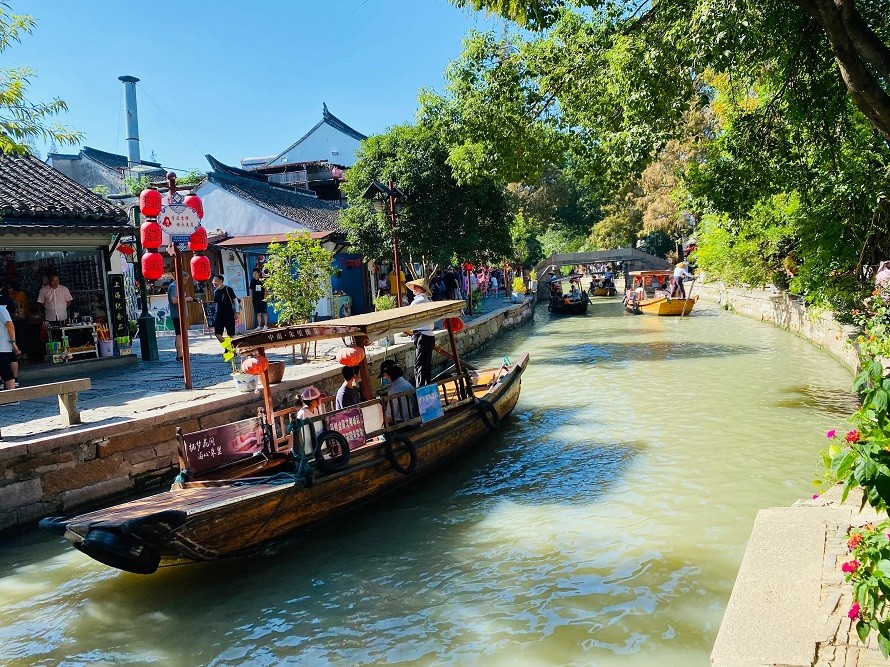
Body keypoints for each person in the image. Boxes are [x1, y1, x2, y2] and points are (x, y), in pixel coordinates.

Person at [406, 278, 436, 386]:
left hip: (423, 336)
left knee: (420, 366)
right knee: (426, 366)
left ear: (422, 289)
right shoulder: (426, 301)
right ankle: (426, 388)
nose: (413, 289)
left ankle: (421, 390)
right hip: (427, 336)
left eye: (416, 287)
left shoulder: (419, 301)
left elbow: (406, 314)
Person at [168, 274, 194, 362]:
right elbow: (174, 300)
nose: (185, 282)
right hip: (177, 314)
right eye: (185, 280)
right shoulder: (174, 287)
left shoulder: (177, 287)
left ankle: (181, 354)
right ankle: (180, 355)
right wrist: (187, 299)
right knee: (179, 334)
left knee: (181, 334)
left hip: (181, 314)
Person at [212, 274, 239, 342]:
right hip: (219, 314)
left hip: (229, 314)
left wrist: (237, 312)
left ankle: (232, 350)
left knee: (231, 334)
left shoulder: (228, 289)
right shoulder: (216, 292)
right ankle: (228, 347)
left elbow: (235, 301)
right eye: (213, 281)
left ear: (221, 281)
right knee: (217, 333)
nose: (214, 283)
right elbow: (216, 304)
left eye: (216, 281)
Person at [0, 302, 20, 392]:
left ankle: (12, 396)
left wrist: (13, 343)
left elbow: (10, 326)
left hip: (2, 346)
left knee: (6, 371)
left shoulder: (1, 310)